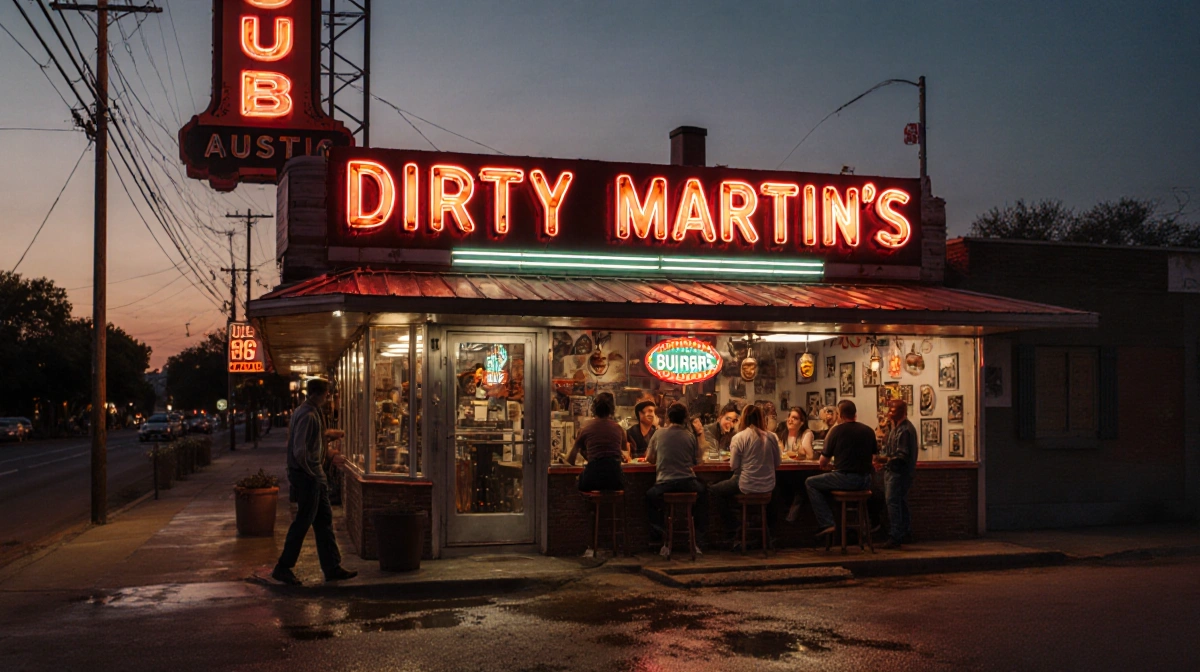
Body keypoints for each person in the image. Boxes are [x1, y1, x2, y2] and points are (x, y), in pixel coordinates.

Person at [272, 378, 358, 585]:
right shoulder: (309, 415)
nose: (329, 398)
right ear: (322, 393)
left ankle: (332, 567)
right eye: (328, 394)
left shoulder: (306, 411)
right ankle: (283, 567)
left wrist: (326, 453)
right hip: (309, 478)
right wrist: (311, 472)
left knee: (323, 521)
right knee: (303, 521)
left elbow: (311, 444)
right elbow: (300, 450)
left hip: (312, 476)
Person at [709, 405, 782, 545]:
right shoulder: (772, 437)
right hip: (768, 487)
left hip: (746, 484)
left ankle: (734, 528)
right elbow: (777, 463)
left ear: (743, 419)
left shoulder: (739, 437)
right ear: (762, 418)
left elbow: (734, 465)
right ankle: (768, 534)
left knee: (713, 490)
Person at [804, 400, 878, 538]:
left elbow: (822, 462)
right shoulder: (868, 431)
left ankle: (827, 523)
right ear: (855, 413)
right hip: (866, 481)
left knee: (810, 482)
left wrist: (830, 465)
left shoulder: (836, 431)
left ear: (840, 414)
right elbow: (874, 458)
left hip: (846, 479)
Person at [645, 403, 708, 553]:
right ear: (685, 418)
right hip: (688, 482)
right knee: (704, 493)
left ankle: (660, 539)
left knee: (649, 497)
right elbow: (698, 461)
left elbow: (650, 458)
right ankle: (697, 540)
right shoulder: (690, 436)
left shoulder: (659, 434)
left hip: (664, 483)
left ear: (668, 417)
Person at [876, 399, 918, 549]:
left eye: (892, 411)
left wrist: (883, 460)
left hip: (898, 473)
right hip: (896, 472)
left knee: (893, 503)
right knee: (899, 502)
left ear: (902, 411)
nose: (889, 413)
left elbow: (901, 456)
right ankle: (904, 533)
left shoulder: (904, 430)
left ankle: (895, 537)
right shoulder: (897, 428)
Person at [567, 393, 627, 492]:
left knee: (578, 482)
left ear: (593, 409)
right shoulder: (618, 428)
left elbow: (570, 459)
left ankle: (589, 508)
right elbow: (626, 455)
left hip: (592, 478)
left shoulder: (585, 428)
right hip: (616, 480)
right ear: (612, 409)